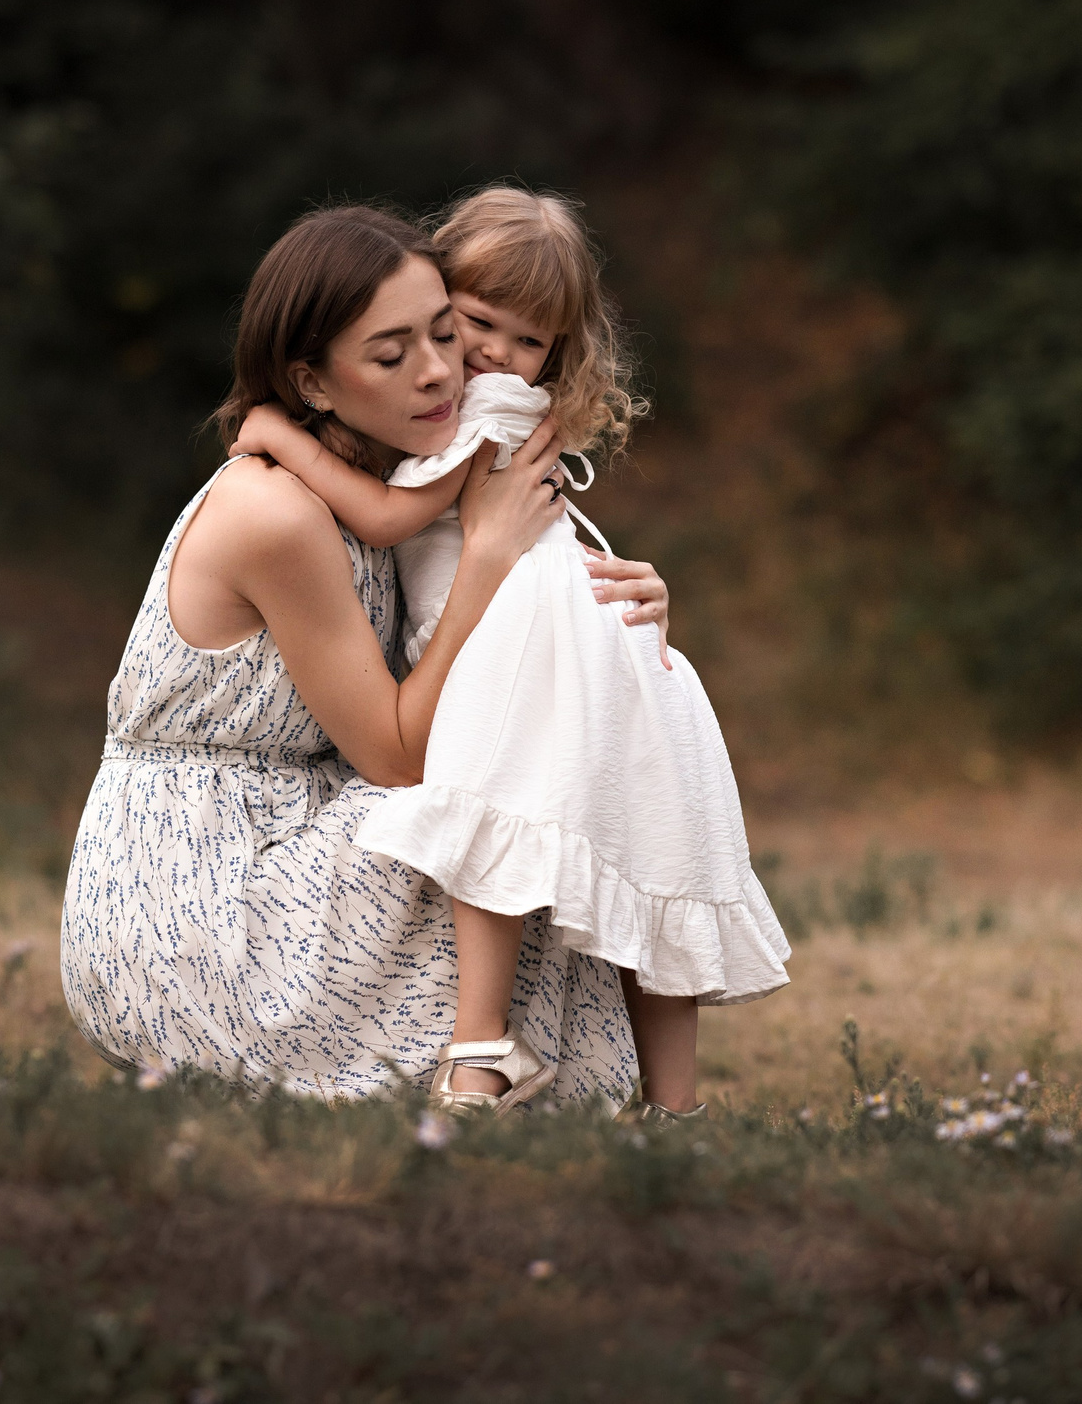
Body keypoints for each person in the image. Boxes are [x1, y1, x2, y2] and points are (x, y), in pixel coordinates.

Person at [58, 204, 672, 1102]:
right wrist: (487, 561)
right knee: (513, 793)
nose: (442, 371)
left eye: (445, 333)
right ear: (311, 382)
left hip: (301, 832)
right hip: (197, 902)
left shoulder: (391, 488)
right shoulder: (276, 514)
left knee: (560, 771)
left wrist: (615, 616)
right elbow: (397, 757)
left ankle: (605, 1084)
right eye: (391, 356)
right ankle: (501, 1062)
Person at [231, 185, 787, 1120]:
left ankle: (481, 1046)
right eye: (475, 321)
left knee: (487, 817)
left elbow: (389, 516)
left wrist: (280, 434)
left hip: (522, 635)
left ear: (555, 353)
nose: (492, 353)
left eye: (527, 340)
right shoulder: (498, 404)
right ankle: (676, 1107)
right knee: (648, 858)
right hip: (579, 633)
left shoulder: (481, 408)